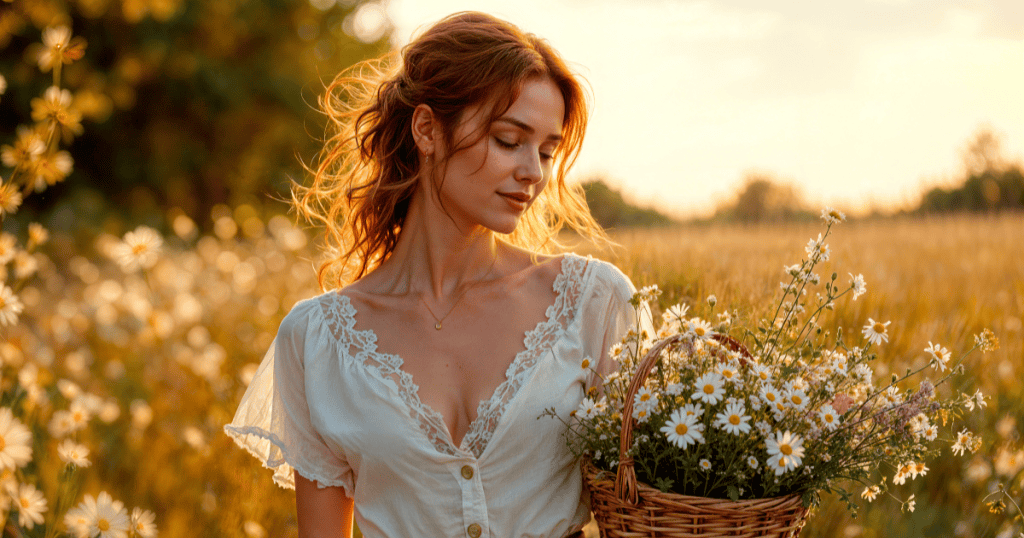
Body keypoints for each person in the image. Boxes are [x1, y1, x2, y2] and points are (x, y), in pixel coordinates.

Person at [225, 11, 642, 538]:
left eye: (546, 151)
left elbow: (644, 511)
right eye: (509, 140)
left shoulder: (595, 303)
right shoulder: (316, 341)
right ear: (427, 129)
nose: (533, 173)